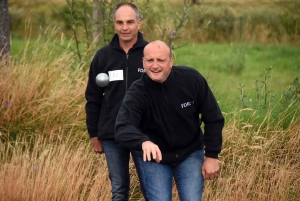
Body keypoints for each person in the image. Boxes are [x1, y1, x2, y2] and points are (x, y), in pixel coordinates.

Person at [115, 40, 224, 201]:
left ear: (171, 61)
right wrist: (143, 142)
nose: (155, 65)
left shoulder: (191, 79)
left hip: (190, 153)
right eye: (150, 60)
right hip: (155, 158)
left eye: (161, 60)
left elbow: (213, 118)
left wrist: (212, 156)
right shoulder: (137, 92)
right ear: (143, 62)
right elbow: (122, 127)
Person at [85, 2, 148, 201]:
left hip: (145, 134)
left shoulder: (151, 54)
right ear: (114, 24)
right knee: (119, 190)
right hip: (112, 135)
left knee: (151, 190)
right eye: (120, 22)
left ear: (139, 22)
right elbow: (93, 97)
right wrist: (94, 134)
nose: (125, 27)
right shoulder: (103, 56)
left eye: (130, 22)